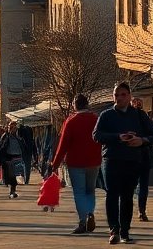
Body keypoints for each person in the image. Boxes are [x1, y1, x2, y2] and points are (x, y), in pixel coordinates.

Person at [93, 81, 153, 245]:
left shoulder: (138, 115)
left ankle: (125, 231)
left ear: (129, 96)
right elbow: (96, 135)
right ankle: (113, 229)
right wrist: (117, 137)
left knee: (127, 196)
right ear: (113, 96)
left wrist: (141, 140)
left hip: (132, 160)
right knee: (112, 194)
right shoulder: (106, 115)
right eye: (116, 95)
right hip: (112, 159)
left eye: (123, 94)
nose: (120, 98)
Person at [51, 93, 102, 234]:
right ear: (87, 104)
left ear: (75, 105)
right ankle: (90, 213)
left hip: (75, 162)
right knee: (90, 190)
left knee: (79, 192)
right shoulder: (96, 119)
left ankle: (82, 221)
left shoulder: (71, 121)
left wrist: (55, 164)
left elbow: (63, 145)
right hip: (94, 161)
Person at [129, 98, 153, 222]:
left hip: (137, 155)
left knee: (133, 185)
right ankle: (141, 211)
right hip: (140, 155)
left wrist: (143, 140)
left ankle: (136, 209)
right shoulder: (142, 116)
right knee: (142, 185)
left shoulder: (131, 116)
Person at [0, 120, 24, 198]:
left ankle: (13, 190)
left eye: (14, 127)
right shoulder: (5, 136)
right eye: (10, 127)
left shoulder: (19, 136)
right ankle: (12, 191)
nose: (12, 129)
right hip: (9, 158)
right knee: (11, 176)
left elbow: (23, 145)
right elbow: (0, 146)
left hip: (18, 157)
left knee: (17, 176)